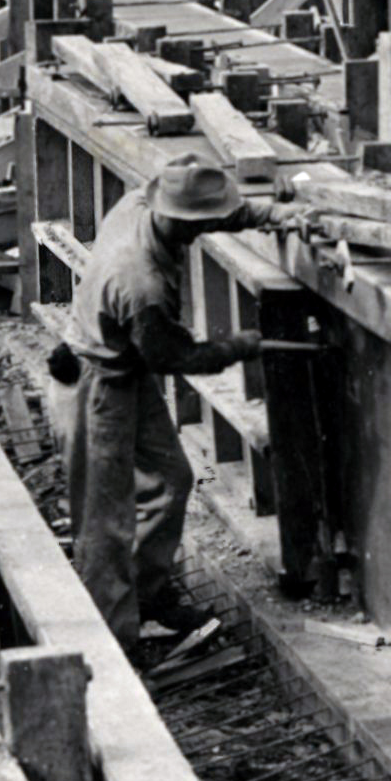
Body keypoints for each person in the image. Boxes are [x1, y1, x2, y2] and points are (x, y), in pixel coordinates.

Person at [61, 155, 279, 655]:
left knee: (172, 479)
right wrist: (240, 346)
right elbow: (174, 357)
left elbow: (213, 212)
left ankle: (147, 596)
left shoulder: (141, 203)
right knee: (105, 521)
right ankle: (117, 647)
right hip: (96, 385)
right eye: (200, 224)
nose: (206, 229)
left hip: (123, 368)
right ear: (182, 221)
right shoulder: (142, 283)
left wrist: (272, 215)